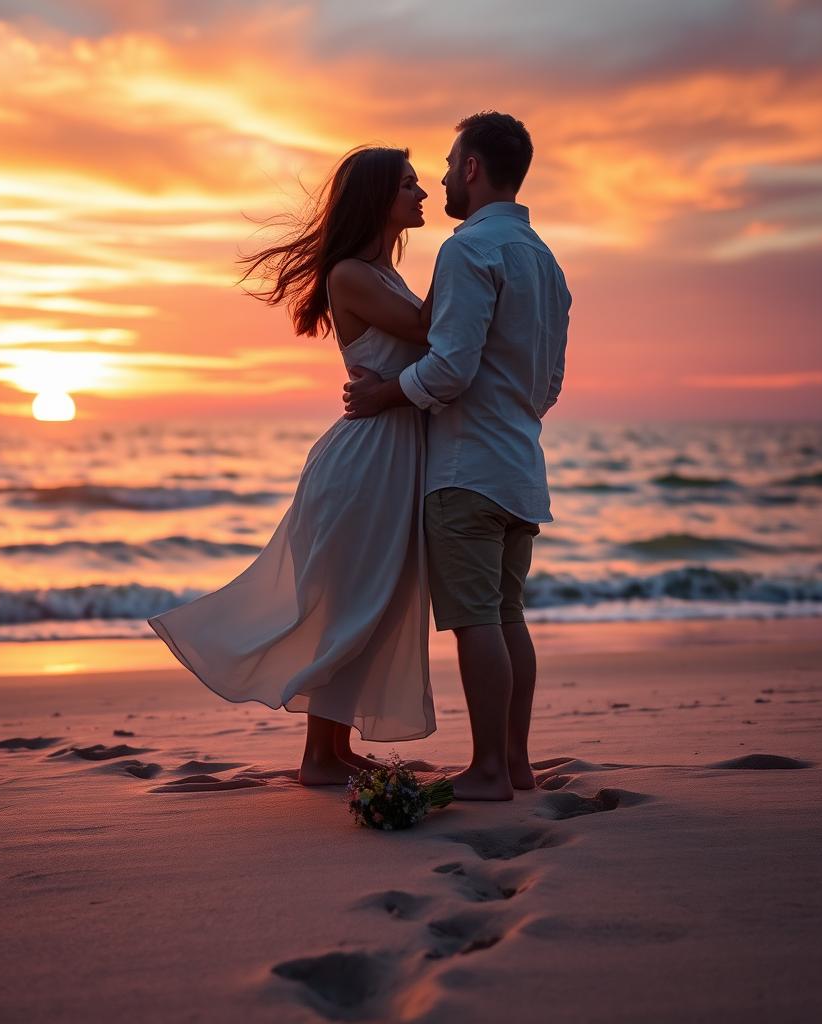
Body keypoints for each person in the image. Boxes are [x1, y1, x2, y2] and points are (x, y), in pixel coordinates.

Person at [148, 146, 438, 786]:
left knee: (370, 601)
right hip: (366, 462)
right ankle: (318, 758)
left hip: (391, 454)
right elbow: (429, 328)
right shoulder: (352, 273)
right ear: (377, 198)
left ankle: (332, 750)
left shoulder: (382, 273)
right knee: (352, 603)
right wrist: (468, 253)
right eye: (409, 186)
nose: (421, 195)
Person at [344, 112, 572, 801]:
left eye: (447, 163)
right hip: (520, 465)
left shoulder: (469, 250)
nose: (441, 177)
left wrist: (385, 393)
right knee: (507, 615)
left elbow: (450, 369)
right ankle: (518, 762)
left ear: (473, 168)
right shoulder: (545, 260)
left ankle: (491, 771)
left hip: (465, 470)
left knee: (477, 621)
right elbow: (550, 385)